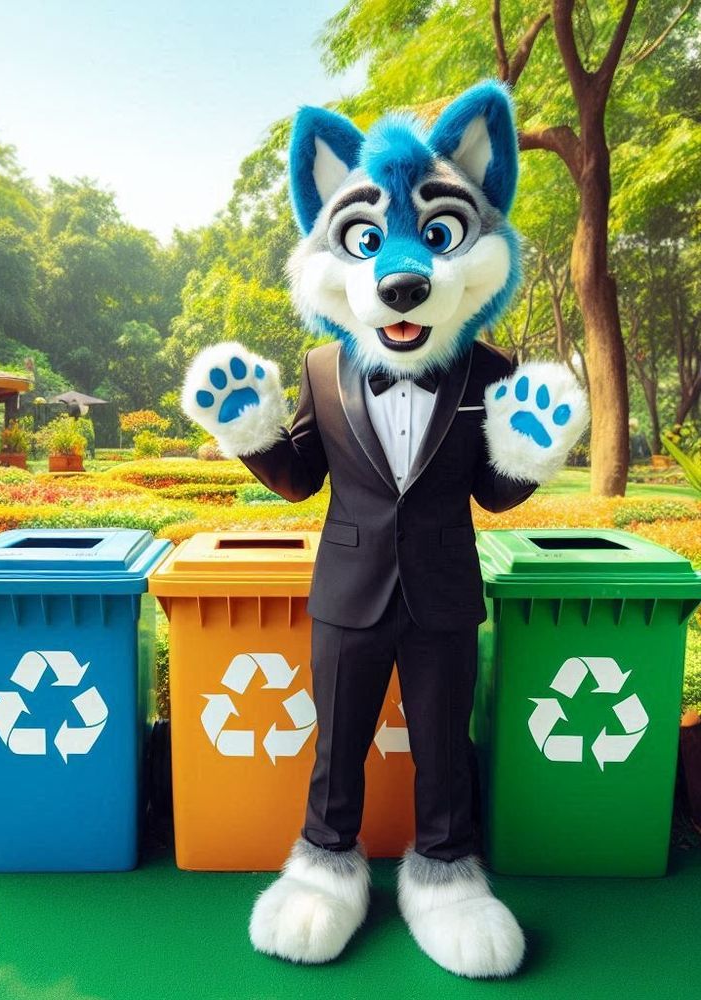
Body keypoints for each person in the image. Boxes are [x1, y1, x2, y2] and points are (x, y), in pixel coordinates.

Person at [181, 82, 588, 979]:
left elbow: (490, 492)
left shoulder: (490, 366)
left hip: (443, 590)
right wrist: (247, 431)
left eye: (438, 234)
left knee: (447, 746)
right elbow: (298, 479)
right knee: (338, 746)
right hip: (348, 590)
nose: (402, 279)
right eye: (367, 240)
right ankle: (325, 867)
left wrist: (528, 453)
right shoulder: (323, 368)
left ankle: (447, 874)